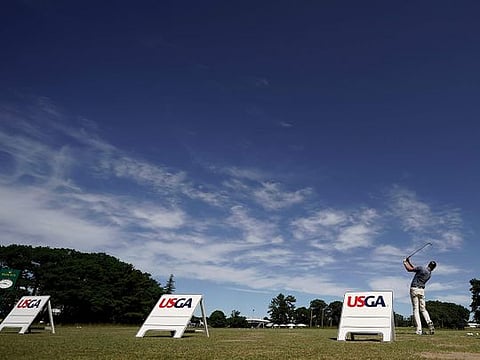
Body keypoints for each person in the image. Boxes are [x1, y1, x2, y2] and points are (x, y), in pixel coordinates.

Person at [403, 257, 436, 335]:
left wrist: (405, 262)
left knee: (416, 309)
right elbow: (414, 268)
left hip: (414, 289)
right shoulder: (429, 274)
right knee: (423, 309)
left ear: (428, 264)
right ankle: (429, 322)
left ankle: (419, 330)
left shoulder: (421, 268)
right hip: (421, 291)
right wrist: (409, 262)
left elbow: (409, 269)